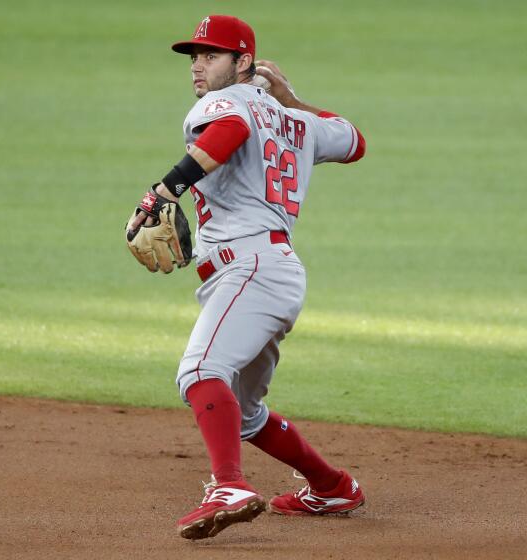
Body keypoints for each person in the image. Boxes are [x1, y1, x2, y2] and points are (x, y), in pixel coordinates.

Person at [125, 14, 366, 540]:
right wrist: (291, 99)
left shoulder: (224, 105)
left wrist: (163, 191)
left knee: (199, 374)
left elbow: (231, 131)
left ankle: (228, 486)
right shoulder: (295, 121)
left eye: (211, 56)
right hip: (274, 272)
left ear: (243, 63)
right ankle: (332, 486)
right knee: (247, 412)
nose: (197, 66)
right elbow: (354, 141)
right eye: (195, 56)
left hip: (249, 269)